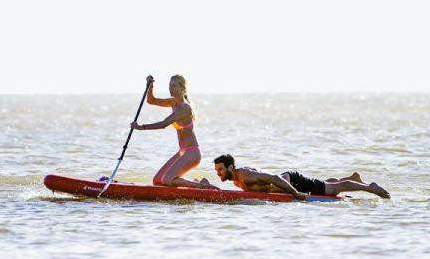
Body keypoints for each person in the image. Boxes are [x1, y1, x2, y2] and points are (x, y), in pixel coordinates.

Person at [130, 75, 209, 188]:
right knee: (157, 181)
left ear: (182, 88)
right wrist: (150, 86)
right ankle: (196, 182)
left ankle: (201, 186)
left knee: (167, 180)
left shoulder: (185, 108)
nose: (170, 89)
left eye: (174, 86)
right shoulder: (173, 103)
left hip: (192, 153)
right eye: (169, 86)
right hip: (182, 151)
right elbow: (151, 100)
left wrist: (140, 127)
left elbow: (164, 124)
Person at [212, 154, 391, 199]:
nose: (218, 173)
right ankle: (353, 177)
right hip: (288, 181)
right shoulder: (235, 179)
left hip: (292, 181)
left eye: (220, 169)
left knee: (332, 190)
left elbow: (274, 179)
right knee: (324, 185)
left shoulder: (246, 175)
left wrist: (296, 193)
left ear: (230, 166)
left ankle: (370, 187)